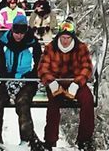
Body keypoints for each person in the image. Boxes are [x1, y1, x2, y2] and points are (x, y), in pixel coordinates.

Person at [0, 13, 44, 151]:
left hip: (27, 80)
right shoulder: (3, 43)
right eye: (16, 32)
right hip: (8, 78)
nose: (19, 36)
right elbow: (0, 63)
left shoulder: (32, 43)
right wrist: (6, 78)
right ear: (12, 30)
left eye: (22, 33)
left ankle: (27, 139)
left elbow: (39, 64)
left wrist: (28, 77)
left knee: (23, 101)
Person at [37, 20, 96, 151]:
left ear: (72, 37)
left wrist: (76, 83)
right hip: (56, 80)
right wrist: (51, 82)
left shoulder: (81, 48)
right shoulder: (51, 48)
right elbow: (42, 68)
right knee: (53, 103)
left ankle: (84, 139)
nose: (65, 41)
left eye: (68, 38)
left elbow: (86, 68)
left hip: (75, 80)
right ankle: (50, 140)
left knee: (88, 100)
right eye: (63, 37)